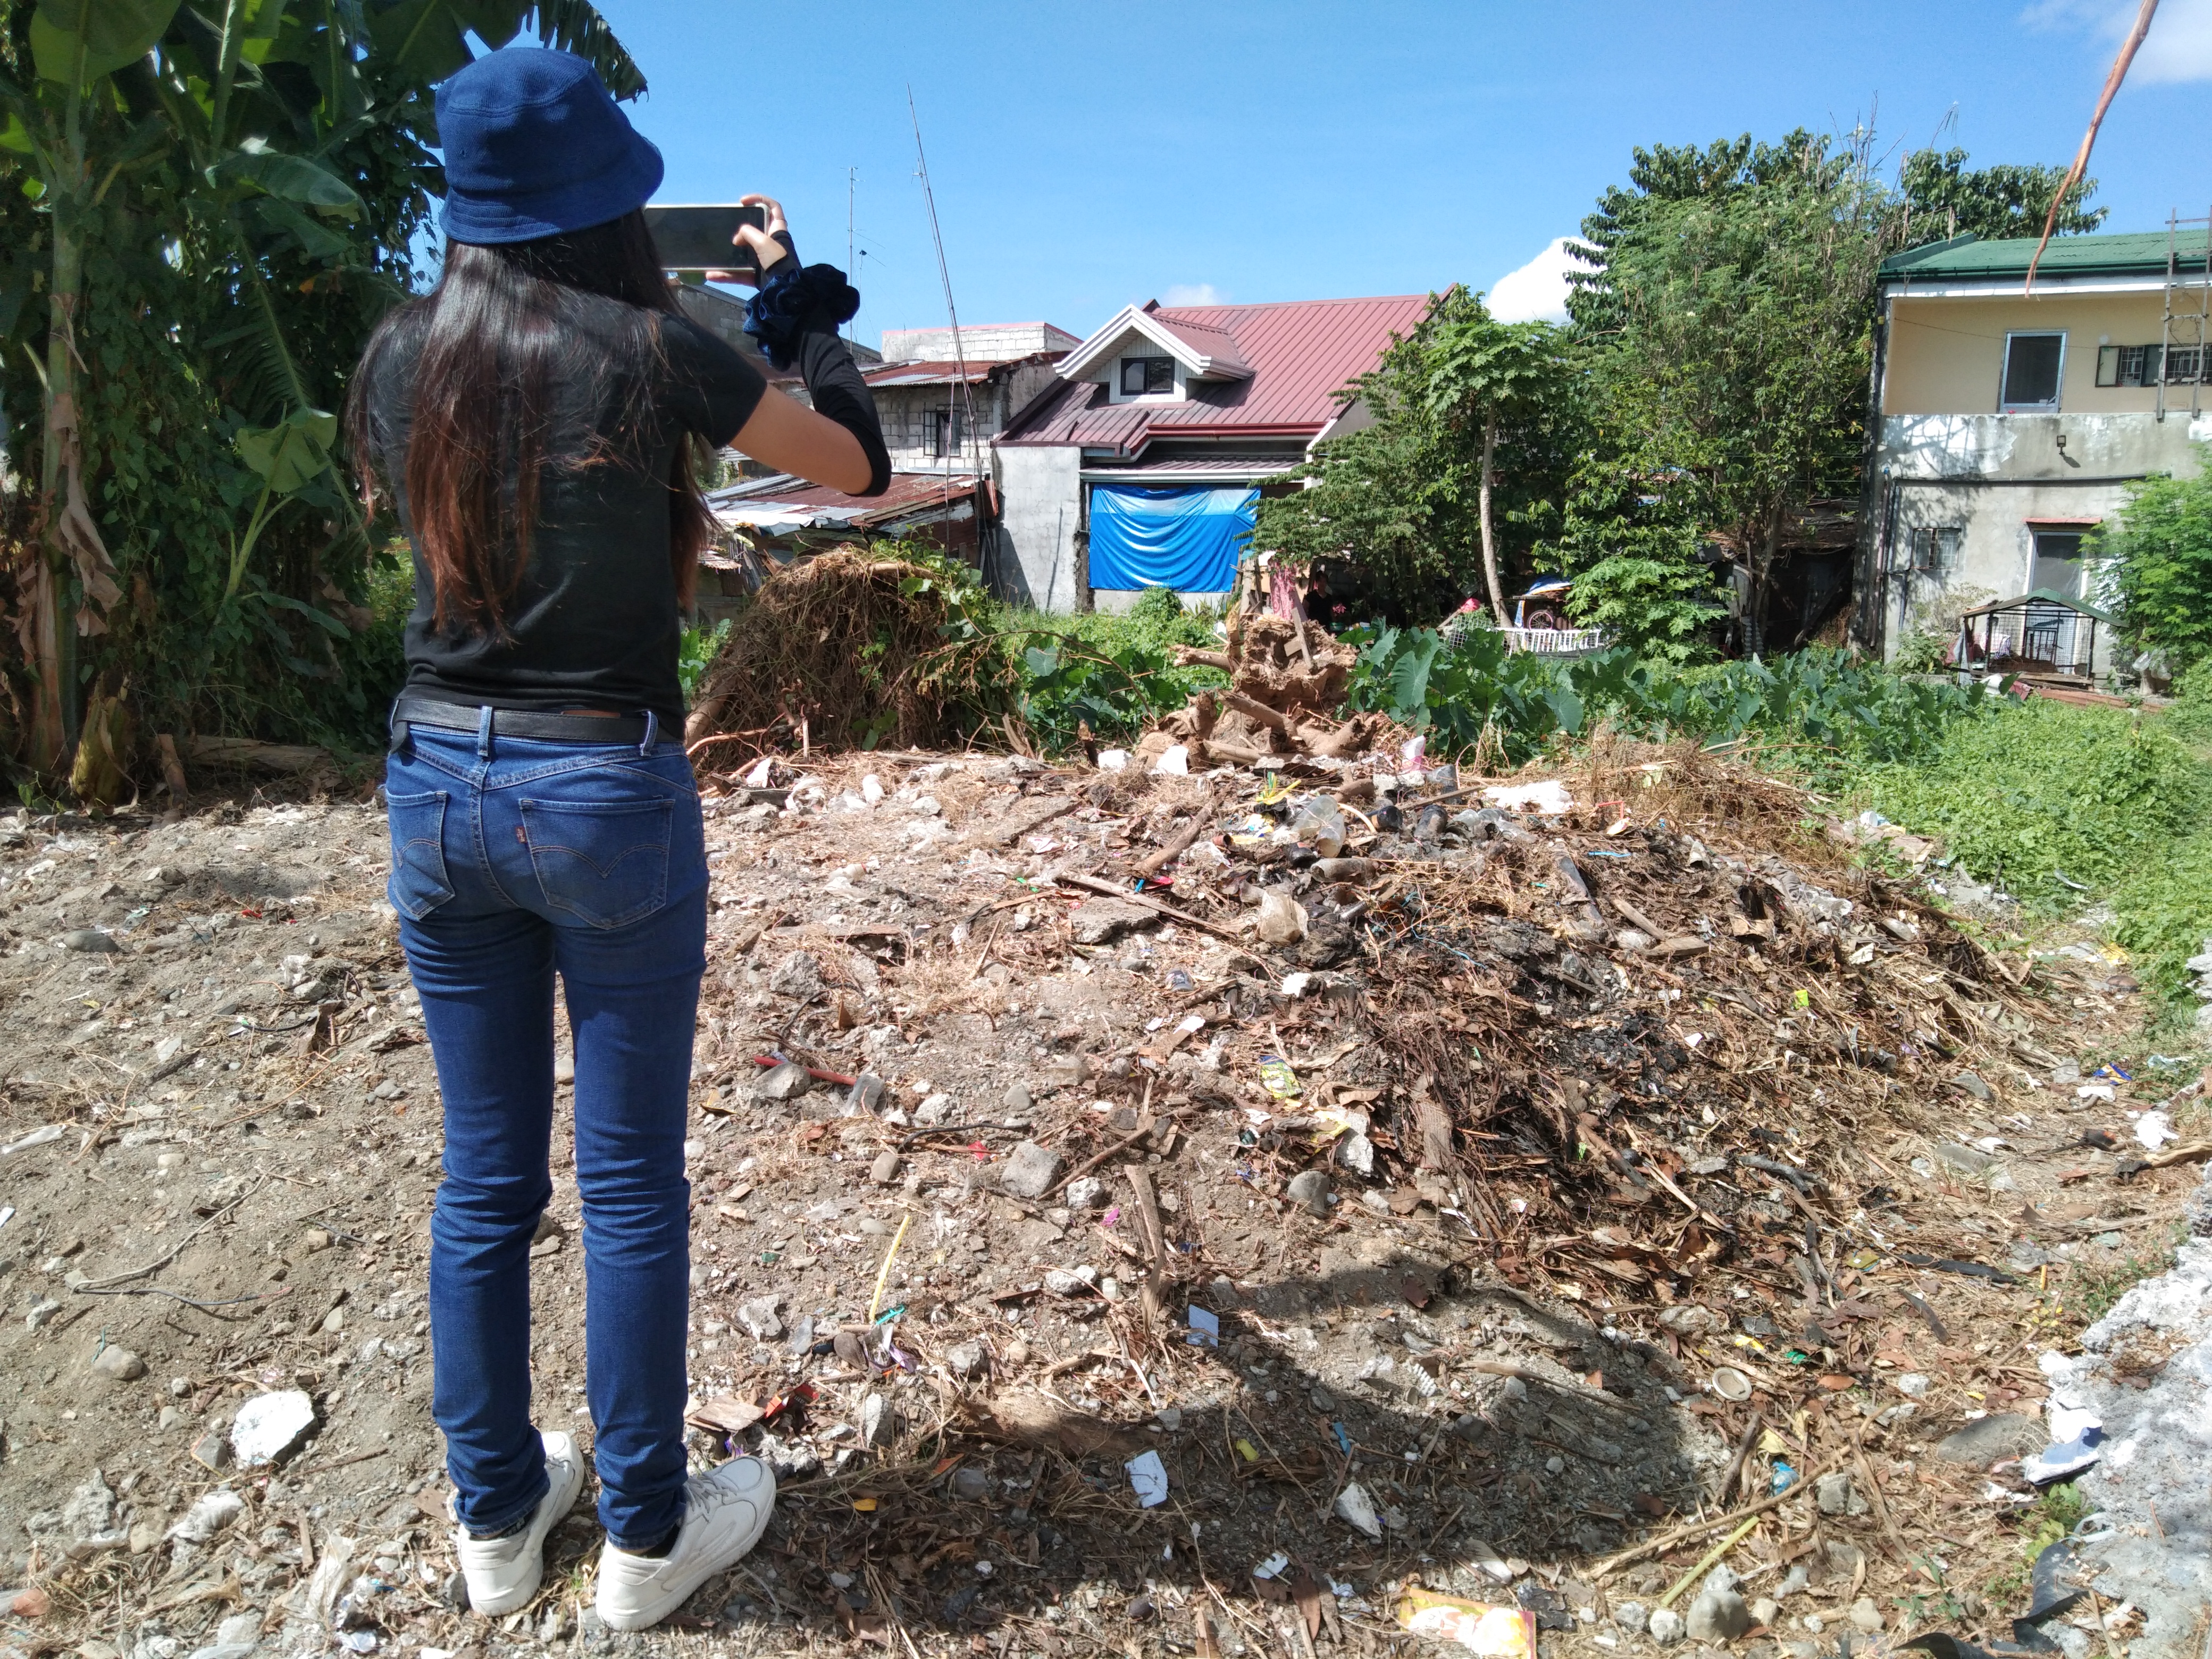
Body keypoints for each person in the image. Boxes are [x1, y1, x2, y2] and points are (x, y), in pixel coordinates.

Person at [345, 48, 889, 1633]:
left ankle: (498, 1521)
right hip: (604, 792)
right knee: (633, 1182)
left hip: (435, 786)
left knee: (483, 1181)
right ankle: (650, 1538)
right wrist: (799, 316)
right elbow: (854, 469)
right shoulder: (656, 350)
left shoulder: (399, 358)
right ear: (607, 205)